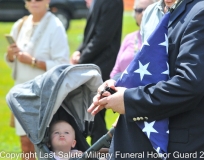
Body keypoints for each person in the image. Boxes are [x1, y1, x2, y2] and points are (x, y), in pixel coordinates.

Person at [88, 0, 204, 159]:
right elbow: (155, 67)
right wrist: (119, 83)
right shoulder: (187, 8)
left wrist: (129, 100)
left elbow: (189, 85)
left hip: (197, 145)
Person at [5, 0, 69, 158]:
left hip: (43, 96)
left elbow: (62, 65)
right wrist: (11, 56)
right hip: (21, 94)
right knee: (25, 146)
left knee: (45, 147)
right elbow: (10, 62)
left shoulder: (56, 26)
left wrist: (33, 61)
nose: (33, 2)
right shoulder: (20, 24)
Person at [70, 0, 123, 144]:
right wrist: (79, 51)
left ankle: (101, 150)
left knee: (95, 114)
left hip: (102, 68)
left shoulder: (113, 2)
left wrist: (81, 59)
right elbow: (90, 33)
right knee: (92, 117)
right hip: (92, 65)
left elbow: (102, 37)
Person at [110, 0, 157, 80]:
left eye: (148, 9)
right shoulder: (129, 38)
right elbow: (116, 71)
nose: (143, 13)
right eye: (139, 10)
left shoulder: (161, 39)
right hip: (119, 86)